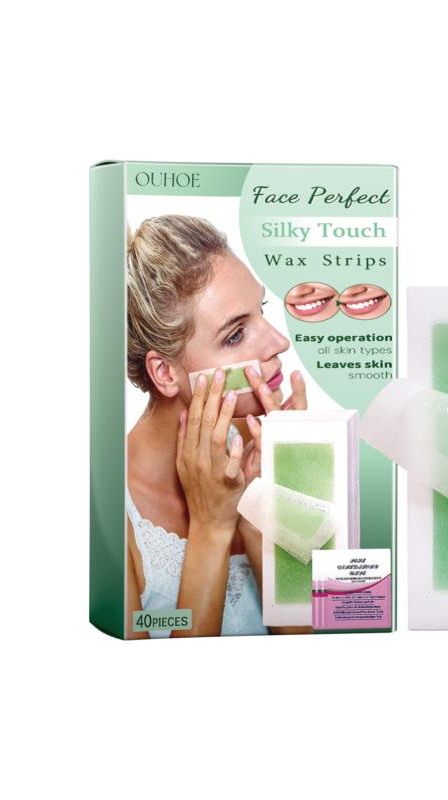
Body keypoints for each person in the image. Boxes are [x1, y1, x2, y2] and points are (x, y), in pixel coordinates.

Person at [125, 214, 308, 636]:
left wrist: (259, 518)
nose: (280, 343)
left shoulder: (264, 457)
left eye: (261, 311)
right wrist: (211, 527)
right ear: (165, 373)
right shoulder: (101, 507)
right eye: (235, 335)